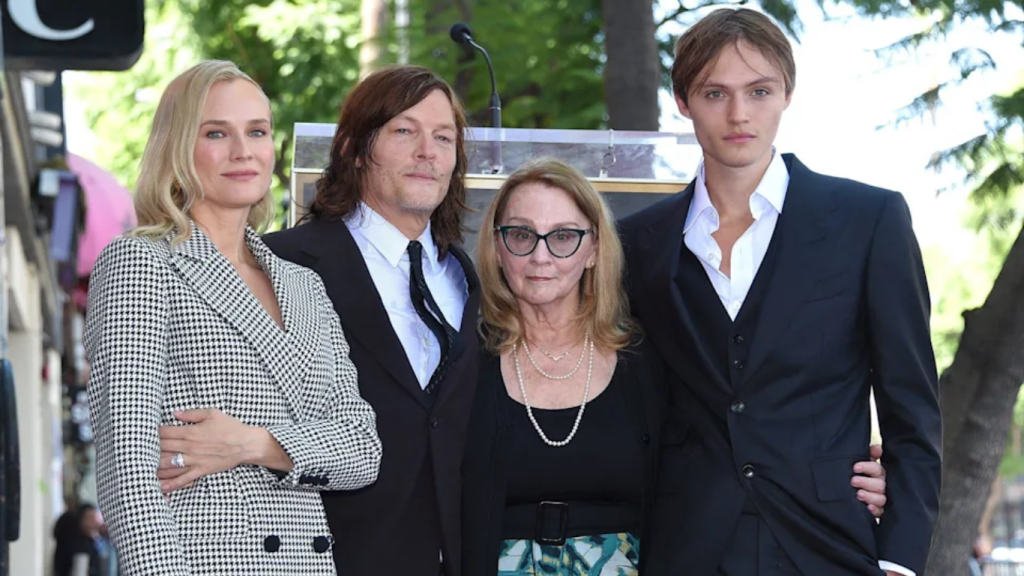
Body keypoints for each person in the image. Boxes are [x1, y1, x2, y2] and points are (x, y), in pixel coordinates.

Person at [619, 8, 942, 576]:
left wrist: (900, 558)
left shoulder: (868, 220)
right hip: (683, 545)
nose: (739, 114)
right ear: (682, 101)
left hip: (831, 541)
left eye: (759, 90)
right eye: (715, 92)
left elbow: (911, 406)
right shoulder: (638, 242)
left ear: (786, 94)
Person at [462, 158, 890, 576]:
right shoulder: (463, 363)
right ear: (497, 246)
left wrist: (846, 474)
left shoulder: (647, 359)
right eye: (521, 235)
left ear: (593, 250)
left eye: (563, 237)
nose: (541, 256)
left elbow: (734, 424)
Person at [86, 60, 382, 576]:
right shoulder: (141, 262)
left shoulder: (303, 285)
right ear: (178, 147)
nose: (244, 151)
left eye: (258, 131)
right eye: (216, 133)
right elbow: (127, 471)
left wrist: (252, 444)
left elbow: (361, 450)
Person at [262, 65, 480, 576]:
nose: (428, 151)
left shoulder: (467, 276)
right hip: (324, 556)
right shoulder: (282, 263)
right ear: (355, 149)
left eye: (443, 137)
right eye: (405, 131)